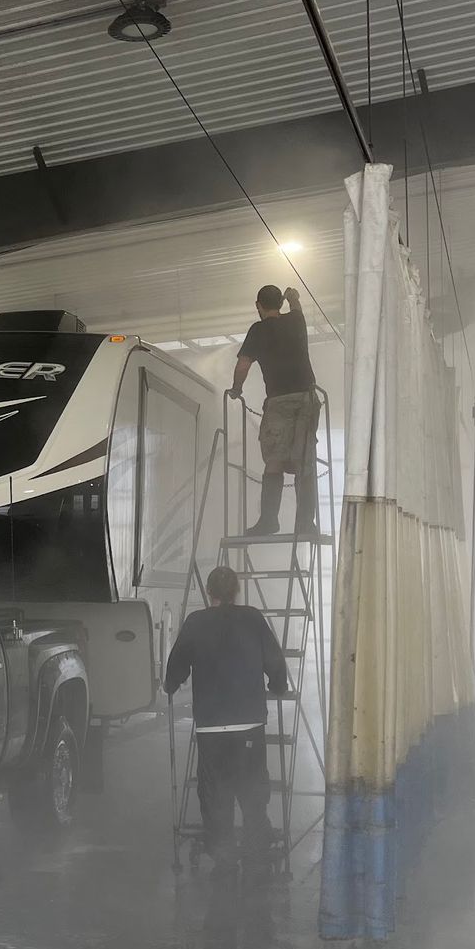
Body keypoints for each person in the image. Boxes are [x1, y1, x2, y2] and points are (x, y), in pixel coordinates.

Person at [164, 565, 291, 864]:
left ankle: (222, 853)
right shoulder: (252, 618)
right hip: (249, 721)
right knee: (252, 787)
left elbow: (176, 666)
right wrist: (278, 685)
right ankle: (256, 847)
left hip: (211, 725)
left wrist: (171, 684)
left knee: (215, 792)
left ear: (208, 592)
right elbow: (274, 659)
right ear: (236, 591)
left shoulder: (195, 622)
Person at [229, 284, 321, 538]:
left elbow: (243, 364)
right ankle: (305, 524)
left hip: (279, 402)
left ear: (258, 305)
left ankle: (269, 521)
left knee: (274, 462)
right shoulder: (296, 320)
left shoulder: (258, 330)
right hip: (307, 400)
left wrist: (236, 389)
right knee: (304, 463)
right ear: (280, 303)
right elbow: (297, 307)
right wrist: (293, 297)